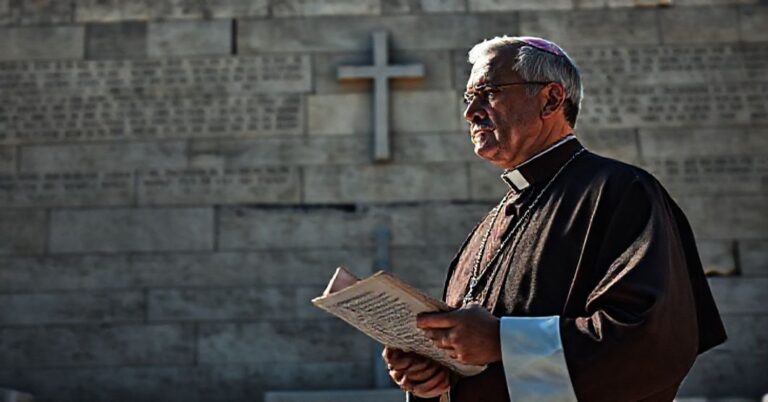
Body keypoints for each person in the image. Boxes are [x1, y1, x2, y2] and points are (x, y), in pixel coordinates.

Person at [382, 36, 727, 402]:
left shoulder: (622, 192)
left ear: (551, 99)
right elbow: (476, 361)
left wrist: (501, 341)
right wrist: (434, 371)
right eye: (469, 98)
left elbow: (651, 337)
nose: (471, 112)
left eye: (489, 92)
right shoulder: (489, 225)